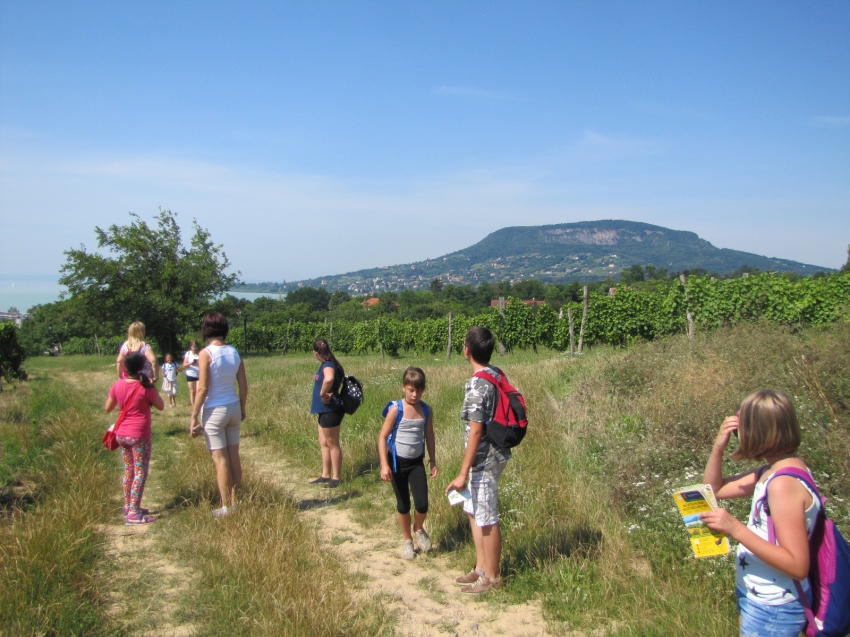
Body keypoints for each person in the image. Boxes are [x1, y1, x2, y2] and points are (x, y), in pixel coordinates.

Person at [699, 390, 821, 637]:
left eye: (738, 430)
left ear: (758, 431)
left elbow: (798, 566)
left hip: (774, 606)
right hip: (759, 595)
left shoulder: (782, 484)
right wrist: (717, 450)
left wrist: (736, 529)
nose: (738, 435)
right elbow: (714, 490)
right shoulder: (772, 471)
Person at [445, 326, 511, 594]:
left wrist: (463, 472)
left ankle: (493, 578)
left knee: (486, 516)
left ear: (467, 350)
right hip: (495, 453)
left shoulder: (476, 383)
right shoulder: (495, 373)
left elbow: (475, 430)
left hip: (484, 458)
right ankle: (481, 568)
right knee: (474, 511)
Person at [190, 312, 248, 518]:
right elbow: (243, 384)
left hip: (215, 410)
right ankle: (236, 501)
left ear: (206, 330)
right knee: (234, 457)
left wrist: (194, 415)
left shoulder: (206, 353)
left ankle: (225, 507)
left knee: (220, 460)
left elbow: (203, 388)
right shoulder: (234, 352)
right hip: (232, 406)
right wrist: (242, 408)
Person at [378, 367, 438, 560]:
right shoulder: (396, 409)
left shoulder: (426, 410)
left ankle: (418, 528)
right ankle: (407, 541)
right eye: (411, 390)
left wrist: (433, 460)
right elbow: (382, 437)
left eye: (419, 391)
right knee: (403, 504)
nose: (415, 394)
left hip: (416, 463)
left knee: (422, 504)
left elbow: (429, 435)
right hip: (396, 463)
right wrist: (384, 465)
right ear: (404, 388)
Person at [105, 352, 164, 525]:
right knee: (140, 472)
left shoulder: (118, 385)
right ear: (142, 368)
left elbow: (108, 408)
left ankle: (128, 506)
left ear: (124, 367)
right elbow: (161, 406)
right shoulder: (145, 387)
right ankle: (134, 512)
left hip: (122, 434)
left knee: (129, 470)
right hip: (139, 435)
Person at [309, 338, 345, 489]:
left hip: (331, 410)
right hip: (323, 410)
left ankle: (336, 478)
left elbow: (329, 378)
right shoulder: (327, 364)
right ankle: (325, 475)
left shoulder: (328, 365)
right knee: (324, 443)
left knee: (332, 444)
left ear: (316, 353)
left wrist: (323, 393)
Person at [183, 341, 201, 409]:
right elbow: (184, 365)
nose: (194, 348)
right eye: (193, 346)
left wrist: (198, 362)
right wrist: (191, 363)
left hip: (199, 374)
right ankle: (193, 407)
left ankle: (198, 405)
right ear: (191, 347)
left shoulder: (200, 353)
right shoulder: (188, 353)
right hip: (190, 374)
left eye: (196, 346)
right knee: (192, 391)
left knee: (198, 390)